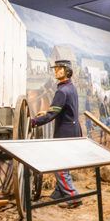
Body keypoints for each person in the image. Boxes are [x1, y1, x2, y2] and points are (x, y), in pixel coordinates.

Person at [31, 60, 82, 209]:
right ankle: (59, 192)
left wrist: (34, 122)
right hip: (72, 130)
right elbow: (63, 109)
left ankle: (73, 197)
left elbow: (53, 114)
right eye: (56, 69)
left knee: (60, 166)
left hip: (65, 133)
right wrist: (47, 111)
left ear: (66, 71)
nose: (56, 71)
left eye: (59, 69)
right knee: (62, 163)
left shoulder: (61, 91)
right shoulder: (70, 87)